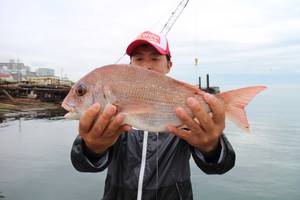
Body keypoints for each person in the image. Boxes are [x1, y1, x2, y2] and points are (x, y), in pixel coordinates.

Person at [71, 31, 235, 200]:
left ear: (169, 65)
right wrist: (92, 147)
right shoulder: (111, 109)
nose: (146, 66)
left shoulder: (188, 108)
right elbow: (82, 164)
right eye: (139, 59)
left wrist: (211, 147)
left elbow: (221, 166)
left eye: (155, 58)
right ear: (129, 65)